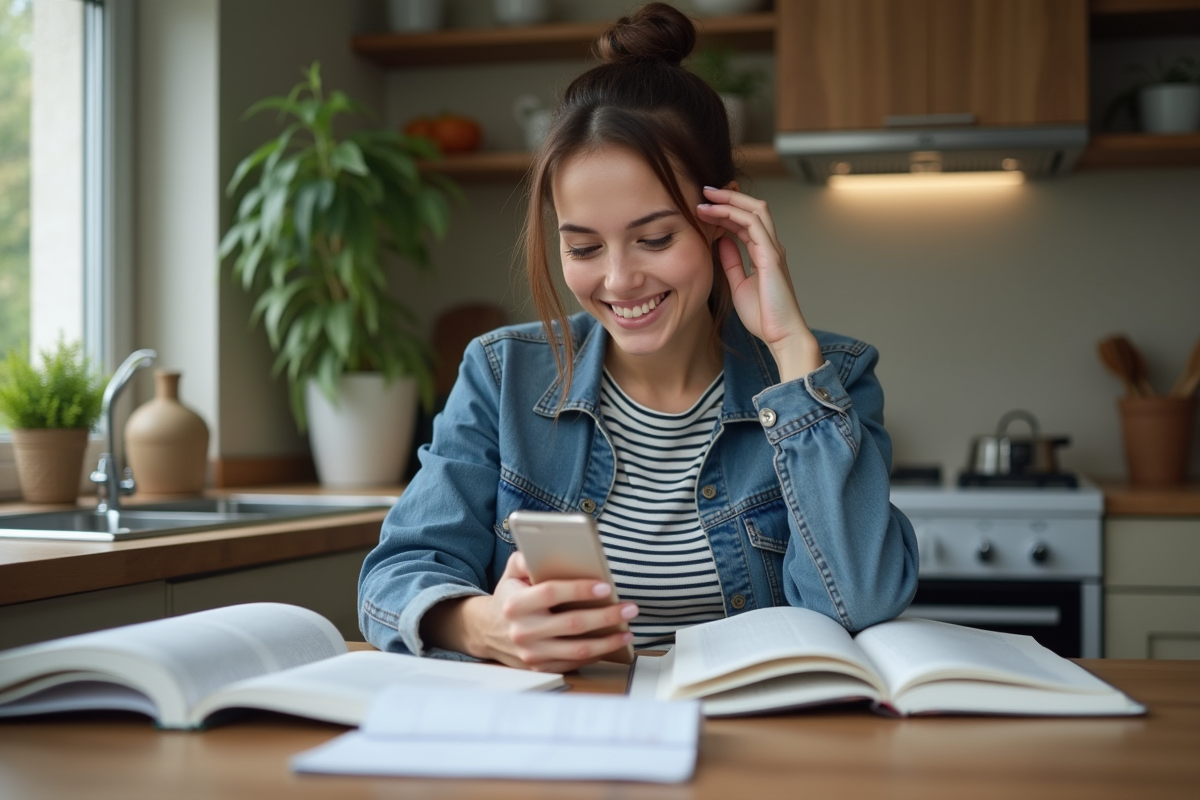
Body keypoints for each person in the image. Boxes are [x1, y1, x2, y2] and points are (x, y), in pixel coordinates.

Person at [358, 2, 918, 674]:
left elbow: (859, 605)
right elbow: (397, 574)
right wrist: (485, 626)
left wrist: (791, 348)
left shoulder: (835, 380)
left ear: (722, 220)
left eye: (654, 238)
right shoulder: (502, 374)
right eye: (584, 246)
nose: (619, 280)